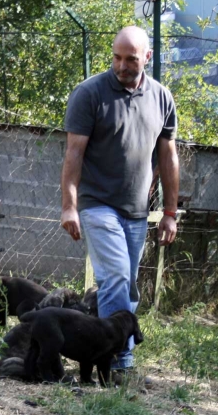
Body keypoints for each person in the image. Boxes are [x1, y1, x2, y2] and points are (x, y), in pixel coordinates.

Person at [60, 25, 179, 373]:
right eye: (116, 57)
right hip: (97, 205)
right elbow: (73, 153)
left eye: (130, 59)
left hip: (137, 211)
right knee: (115, 278)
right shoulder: (90, 93)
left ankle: (101, 349)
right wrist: (69, 204)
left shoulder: (161, 98)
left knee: (128, 288)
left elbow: (169, 158)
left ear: (147, 57)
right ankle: (118, 363)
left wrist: (170, 211)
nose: (122, 65)